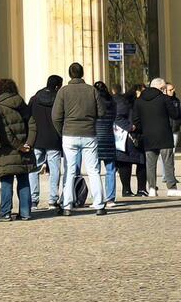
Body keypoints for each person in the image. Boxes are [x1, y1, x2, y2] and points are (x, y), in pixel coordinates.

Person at [52, 62, 105, 215]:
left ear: (70, 74)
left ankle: (67, 206)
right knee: (93, 170)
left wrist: (61, 132)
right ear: (82, 74)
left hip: (69, 133)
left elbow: (56, 116)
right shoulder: (92, 90)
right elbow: (101, 112)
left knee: (69, 171)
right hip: (89, 133)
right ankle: (99, 205)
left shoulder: (63, 91)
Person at [0, 78, 35, 221]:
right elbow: (32, 124)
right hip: (24, 150)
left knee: (6, 182)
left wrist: (18, 146)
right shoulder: (22, 104)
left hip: (6, 151)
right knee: (24, 180)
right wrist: (28, 144)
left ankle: (5, 213)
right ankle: (26, 212)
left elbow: (5, 132)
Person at [135, 78, 181, 196]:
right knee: (168, 162)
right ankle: (171, 188)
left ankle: (152, 188)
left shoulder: (139, 100)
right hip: (164, 135)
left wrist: (143, 130)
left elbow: (136, 120)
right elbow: (175, 114)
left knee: (150, 164)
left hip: (148, 136)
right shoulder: (164, 98)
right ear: (162, 88)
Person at [27, 74, 64, 211]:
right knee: (54, 170)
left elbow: (28, 117)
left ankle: (33, 200)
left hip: (37, 138)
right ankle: (53, 200)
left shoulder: (34, 99)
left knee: (34, 169)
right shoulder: (59, 100)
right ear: (57, 86)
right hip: (54, 139)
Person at [114, 88, 147, 196]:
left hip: (138, 135)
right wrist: (130, 127)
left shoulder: (139, 102)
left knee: (141, 163)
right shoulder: (125, 103)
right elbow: (118, 116)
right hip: (129, 137)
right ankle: (127, 189)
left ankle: (141, 189)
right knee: (126, 163)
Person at [94, 81, 118, 207]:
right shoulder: (112, 102)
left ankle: (97, 197)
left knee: (95, 170)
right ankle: (110, 198)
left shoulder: (94, 103)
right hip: (109, 137)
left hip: (96, 138)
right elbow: (114, 117)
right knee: (111, 170)